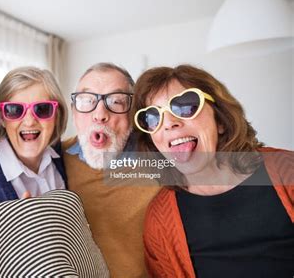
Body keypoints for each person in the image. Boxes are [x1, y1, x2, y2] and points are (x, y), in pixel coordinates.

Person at [134, 65, 294, 277]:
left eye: (185, 106)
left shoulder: (287, 169)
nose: (169, 123)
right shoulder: (159, 221)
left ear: (219, 119)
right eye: (153, 117)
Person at [62, 62, 160, 278]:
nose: (99, 114)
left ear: (133, 113)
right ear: (74, 111)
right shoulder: (56, 158)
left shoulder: (158, 156)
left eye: (116, 101)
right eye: (87, 101)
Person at [0, 66, 68, 235]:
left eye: (42, 109)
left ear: (57, 115)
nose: (29, 122)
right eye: (15, 110)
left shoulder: (64, 156)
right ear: (2, 118)